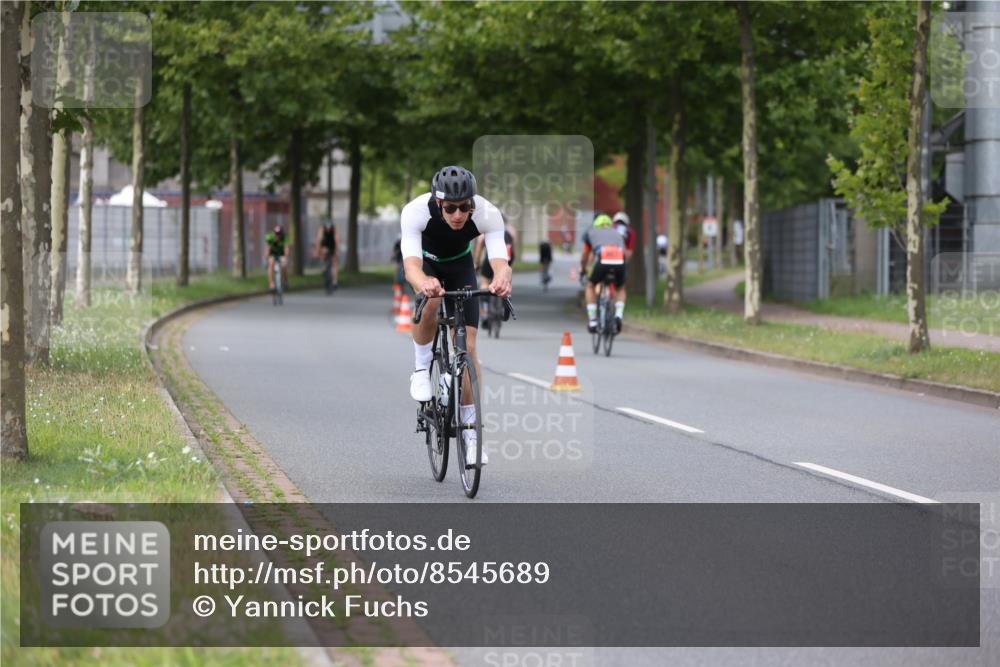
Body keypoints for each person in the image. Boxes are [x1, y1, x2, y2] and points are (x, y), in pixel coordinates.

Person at [400, 165, 512, 467]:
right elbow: (411, 266)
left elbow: (500, 261)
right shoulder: (416, 212)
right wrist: (423, 282)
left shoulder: (487, 213)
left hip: (460, 265)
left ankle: (471, 433)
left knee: (469, 349)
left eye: (464, 207)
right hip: (427, 264)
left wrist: (502, 277)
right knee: (432, 302)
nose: (458, 215)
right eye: (450, 208)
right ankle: (422, 368)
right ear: (438, 204)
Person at [579, 213, 626, 333]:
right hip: (619, 260)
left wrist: (583, 268)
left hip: (603, 261)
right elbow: (624, 251)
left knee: (590, 286)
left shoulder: (591, 232)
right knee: (620, 288)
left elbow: (586, 255)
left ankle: (593, 320)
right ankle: (618, 315)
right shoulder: (618, 233)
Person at [473, 219, 515, 329]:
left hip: (491, 260)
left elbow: (479, 248)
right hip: (508, 258)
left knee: (485, 281)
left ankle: (485, 311)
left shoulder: (486, 231)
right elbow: (513, 246)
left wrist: (476, 264)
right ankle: (507, 298)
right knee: (506, 277)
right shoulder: (511, 230)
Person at [313, 221, 339, 293]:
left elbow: (337, 240)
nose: (328, 230)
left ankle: (334, 281)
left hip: (332, 246)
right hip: (324, 246)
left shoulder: (334, 230)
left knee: (334, 262)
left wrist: (337, 250)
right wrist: (317, 251)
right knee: (324, 257)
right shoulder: (321, 230)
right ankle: (324, 269)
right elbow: (318, 240)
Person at [264, 224, 289, 292]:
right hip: (272, 253)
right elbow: (267, 249)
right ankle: (271, 284)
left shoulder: (284, 237)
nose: (278, 236)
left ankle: (285, 281)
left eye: (279, 234)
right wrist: (265, 259)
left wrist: (285, 257)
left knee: (284, 264)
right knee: (271, 263)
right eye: (276, 234)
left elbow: (286, 249)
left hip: (281, 253)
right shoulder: (270, 237)